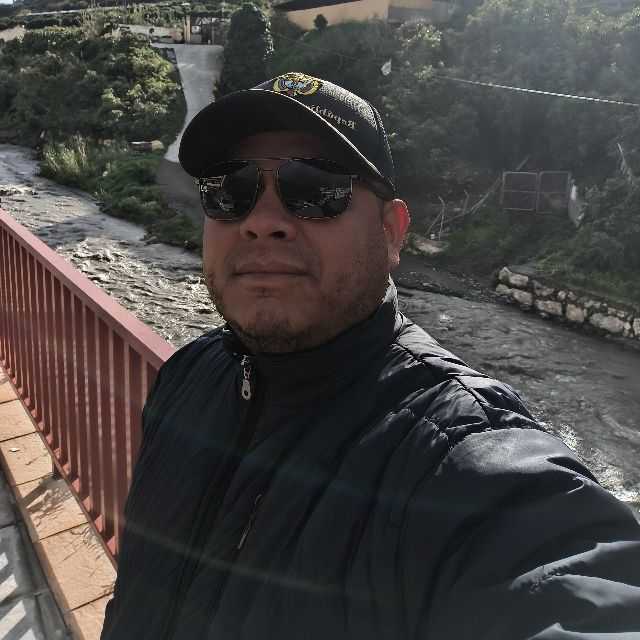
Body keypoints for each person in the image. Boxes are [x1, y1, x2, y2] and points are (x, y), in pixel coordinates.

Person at [101, 72, 640, 640]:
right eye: (228, 191)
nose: (261, 223)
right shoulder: (188, 375)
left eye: (314, 189)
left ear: (391, 232)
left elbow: (570, 583)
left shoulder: (459, 461)